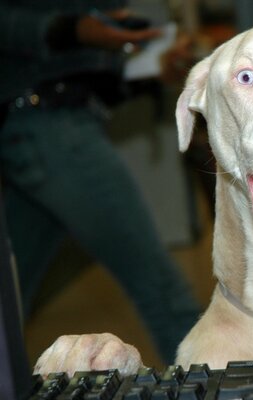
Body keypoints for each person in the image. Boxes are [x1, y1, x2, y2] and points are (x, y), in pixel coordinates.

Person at [0, 0, 202, 363]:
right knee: (164, 295)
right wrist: (74, 28)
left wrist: (147, 69)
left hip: (42, 127)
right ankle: (210, 384)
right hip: (54, 130)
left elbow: (76, 68)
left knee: (6, 308)